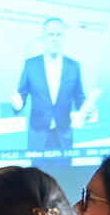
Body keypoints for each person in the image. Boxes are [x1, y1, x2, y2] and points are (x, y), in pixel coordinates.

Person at [10, 18, 86, 153]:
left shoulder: (73, 66)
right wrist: (17, 105)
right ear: (44, 37)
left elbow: (80, 97)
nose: (55, 39)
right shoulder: (31, 65)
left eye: (59, 35)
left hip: (63, 136)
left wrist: (87, 109)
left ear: (63, 37)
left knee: (66, 173)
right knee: (35, 174)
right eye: (51, 35)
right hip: (38, 135)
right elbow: (21, 95)